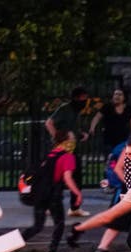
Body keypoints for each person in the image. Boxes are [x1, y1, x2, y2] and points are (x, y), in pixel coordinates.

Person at [21, 130, 82, 252]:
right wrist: (77, 193)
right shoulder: (67, 157)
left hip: (39, 194)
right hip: (53, 195)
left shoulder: (50, 154)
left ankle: (12, 245)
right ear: (67, 141)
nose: (74, 141)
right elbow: (67, 178)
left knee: (37, 226)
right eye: (72, 138)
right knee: (59, 224)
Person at [45, 86, 90, 217]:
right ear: (76, 98)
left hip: (72, 149)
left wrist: (81, 134)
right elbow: (49, 123)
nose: (85, 101)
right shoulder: (65, 109)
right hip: (62, 149)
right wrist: (56, 138)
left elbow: (71, 128)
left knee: (77, 176)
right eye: (83, 99)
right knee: (57, 178)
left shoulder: (76, 112)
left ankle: (75, 207)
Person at [89, 88, 131, 156]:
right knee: (110, 159)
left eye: (120, 95)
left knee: (120, 160)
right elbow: (97, 117)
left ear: (124, 97)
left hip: (122, 140)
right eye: (115, 94)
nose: (117, 96)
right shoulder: (107, 107)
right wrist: (92, 127)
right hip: (109, 140)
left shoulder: (128, 109)